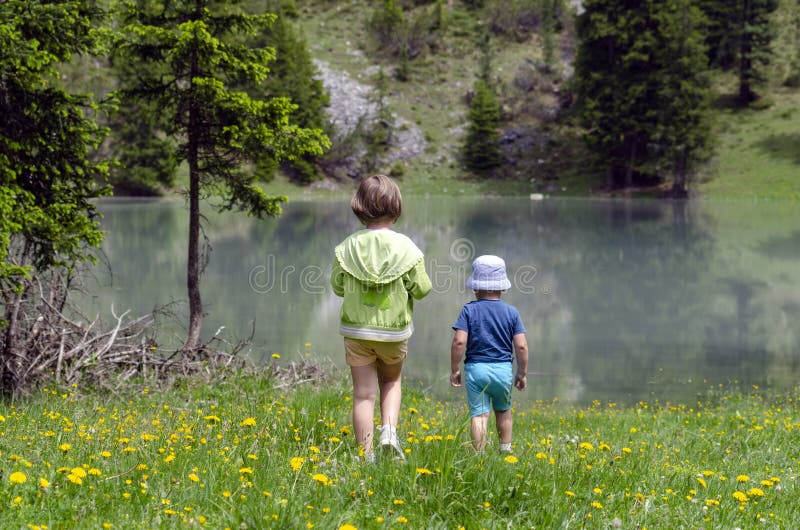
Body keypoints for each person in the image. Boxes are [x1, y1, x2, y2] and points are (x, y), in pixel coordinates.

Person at [331, 175, 432, 461]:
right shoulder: (408, 248)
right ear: (396, 206)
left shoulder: (347, 247)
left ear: (359, 206)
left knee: (363, 395)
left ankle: (365, 454)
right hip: (393, 334)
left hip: (357, 332)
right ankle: (389, 431)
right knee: (391, 382)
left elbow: (337, 287)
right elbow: (422, 289)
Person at [450, 255, 528, 453]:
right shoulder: (512, 312)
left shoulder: (469, 310)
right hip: (503, 370)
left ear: (476, 286)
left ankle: (479, 455)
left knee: (479, 415)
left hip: (476, 370)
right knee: (503, 411)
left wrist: (454, 368)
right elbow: (521, 347)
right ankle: (505, 450)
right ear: (502, 286)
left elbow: (459, 341)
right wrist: (522, 372)